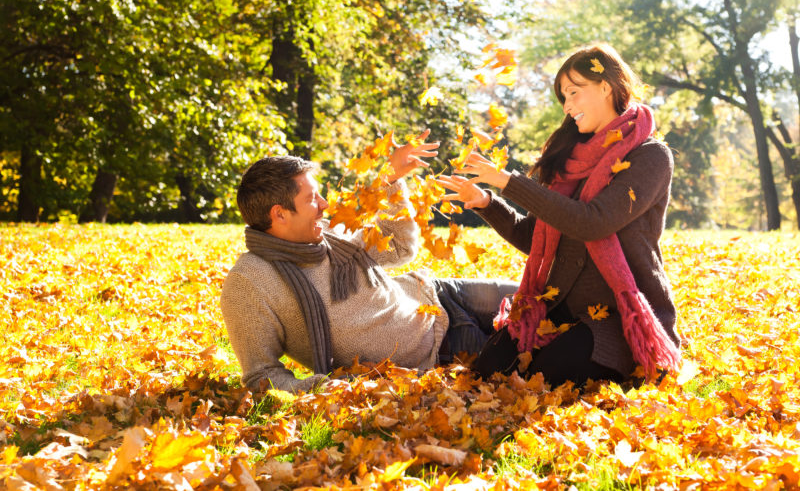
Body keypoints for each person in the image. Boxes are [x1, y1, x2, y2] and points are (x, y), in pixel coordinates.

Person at [438, 44, 682, 387]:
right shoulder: (571, 161)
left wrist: (510, 182)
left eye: (573, 92)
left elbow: (592, 222)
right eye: (563, 97)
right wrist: (486, 203)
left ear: (606, 86)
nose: (567, 106)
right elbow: (532, 236)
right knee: (488, 372)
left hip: (616, 318)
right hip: (558, 310)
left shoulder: (650, 156)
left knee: (546, 375)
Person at [220, 130, 517, 393]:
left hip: (441, 295)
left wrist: (391, 180)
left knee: (545, 298)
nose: (325, 205)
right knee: (546, 356)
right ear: (279, 214)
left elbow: (400, 246)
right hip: (441, 348)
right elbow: (261, 374)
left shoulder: (329, 237)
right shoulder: (251, 282)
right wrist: (319, 387)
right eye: (312, 199)